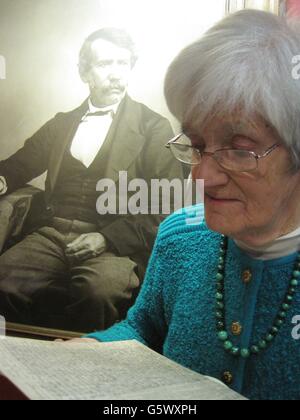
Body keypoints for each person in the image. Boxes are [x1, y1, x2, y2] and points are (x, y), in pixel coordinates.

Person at [79, 11, 300, 400]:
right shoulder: (180, 234)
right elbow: (145, 330)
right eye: (196, 147)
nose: (201, 178)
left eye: (238, 149)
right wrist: (86, 353)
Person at [0, 28, 183, 332]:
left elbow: (167, 203)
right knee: (3, 279)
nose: (115, 74)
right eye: (104, 64)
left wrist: (107, 237)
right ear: (85, 72)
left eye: (122, 64)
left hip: (115, 244)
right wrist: (2, 179)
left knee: (98, 293)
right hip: (51, 234)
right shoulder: (62, 124)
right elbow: (19, 165)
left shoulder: (154, 128)